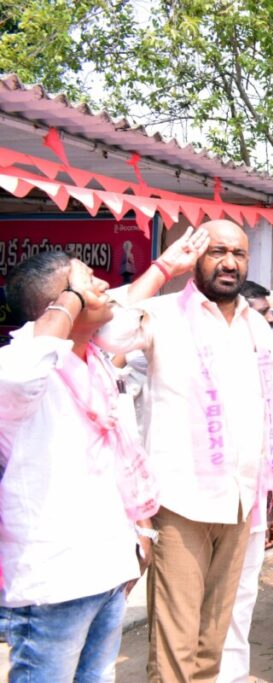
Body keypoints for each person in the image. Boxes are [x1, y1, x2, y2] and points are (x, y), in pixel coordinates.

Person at [0, 229, 207, 680]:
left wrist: (140, 534)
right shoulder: (18, 367)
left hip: (108, 569)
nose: (101, 288)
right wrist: (73, 293)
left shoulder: (95, 359)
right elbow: (27, 371)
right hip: (53, 581)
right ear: (62, 303)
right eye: (88, 283)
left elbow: (124, 309)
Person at [108, 219, 273, 681]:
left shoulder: (257, 328)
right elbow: (106, 335)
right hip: (179, 502)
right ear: (195, 258)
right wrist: (160, 269)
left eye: (238, 253)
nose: (229, 262)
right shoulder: (163, 314)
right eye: (216, 251)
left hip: (240, 500)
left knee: (214, 640)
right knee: (176, 643)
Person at [217, 279, 273, 683]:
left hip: (255, 497)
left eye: (269, 316)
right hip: (211, 498)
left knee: (243, 591)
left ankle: (234, 671)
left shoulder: (267, 359)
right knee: (214, 593)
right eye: (261, 314)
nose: (269, 321)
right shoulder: (213, 356)